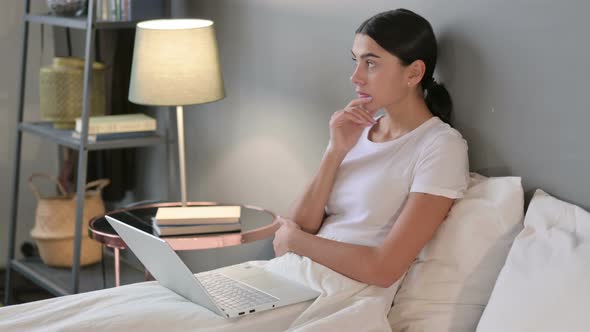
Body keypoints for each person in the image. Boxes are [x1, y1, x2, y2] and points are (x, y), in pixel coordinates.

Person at [272, 9, 469, 288]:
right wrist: (335, 151)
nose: (356, 77)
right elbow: (299, 225)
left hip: (342, 292)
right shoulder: (356, 130)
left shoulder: (441, 146)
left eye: (371, 63)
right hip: (295, 275)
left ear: (413, 73)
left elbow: (384, 268)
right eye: (355, 62)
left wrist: (295, 241)